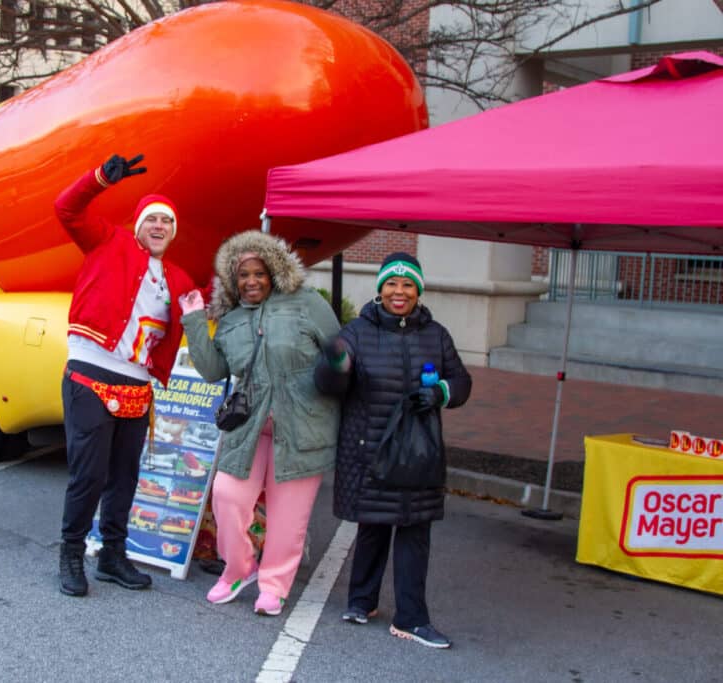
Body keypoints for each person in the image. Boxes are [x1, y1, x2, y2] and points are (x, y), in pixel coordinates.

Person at [314, 251, 471, 648]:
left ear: (417, 291)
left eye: (407, 285)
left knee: (414, 530)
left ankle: (412, 618)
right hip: (370, 448)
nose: (399, 292)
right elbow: (330, 385)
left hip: (418, 452)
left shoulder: (436, 334)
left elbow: (461, 382)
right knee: (373, 525)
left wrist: (440, 392)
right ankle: (361, 601)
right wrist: (334, 365)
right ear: (380, 288)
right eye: (391, 284)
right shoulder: (357, 331)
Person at [55, 153, 195, 597]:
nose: (159, 226)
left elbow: (203, 302)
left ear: (173, 232)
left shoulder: (177, 277)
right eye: (152, 219)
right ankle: (72, 554)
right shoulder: (107, 241)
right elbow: (66, 209)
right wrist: (98, 179)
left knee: (125, 476)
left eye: (167, 222)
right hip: (90, 374)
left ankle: (113, 555)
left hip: (137, 385)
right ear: (138, 225)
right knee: (88, 475)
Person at [178, 230, 339, 616]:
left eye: (259, 273)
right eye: (242, 275)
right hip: (248, 427)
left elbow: (339, 349)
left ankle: (275, 585)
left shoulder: (306, 304)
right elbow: (213, 369)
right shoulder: (232, 320)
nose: (251, 281)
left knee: (288, 518)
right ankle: (239, 569)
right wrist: (195, 321)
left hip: (302, 426)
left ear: (274, 272)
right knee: (228, 496)